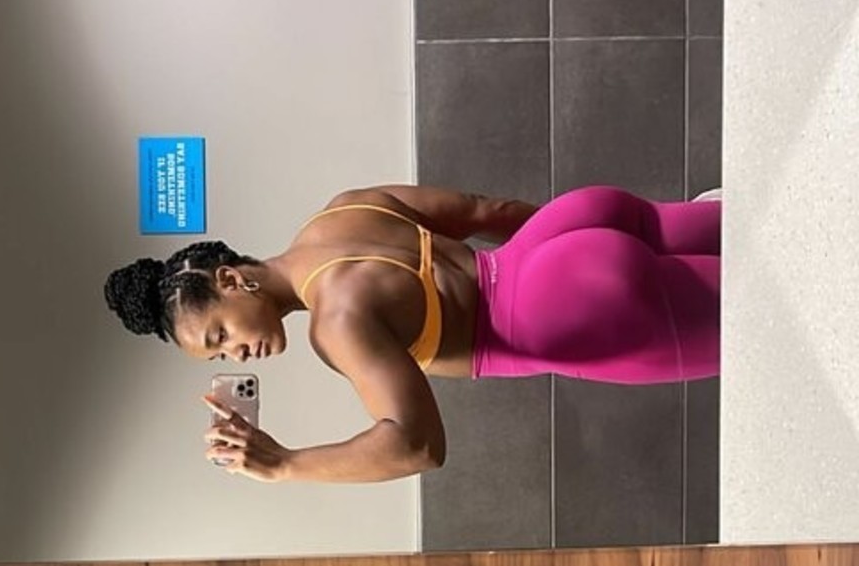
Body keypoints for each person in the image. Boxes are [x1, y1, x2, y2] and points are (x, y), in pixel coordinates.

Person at [103, 184, 721, 484]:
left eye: (219, 335)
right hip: (567, 228)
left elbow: (416, 445)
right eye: (220, 353)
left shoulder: (335, 322)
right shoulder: (340, 211)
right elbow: (484, 210)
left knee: (764, 326)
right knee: (769, 226)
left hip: (560, 311)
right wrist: (582, 253)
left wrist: (284, 463)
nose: (238, 354)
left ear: (231, 279)